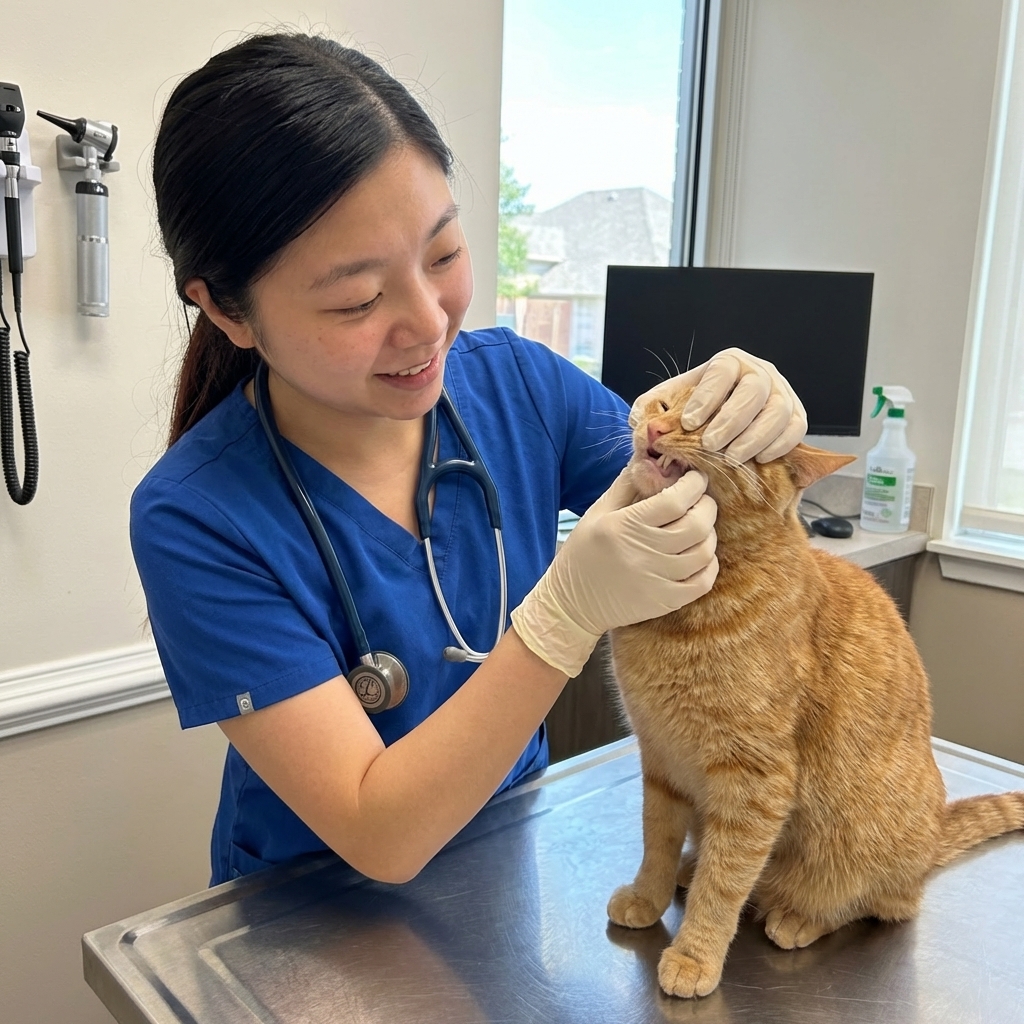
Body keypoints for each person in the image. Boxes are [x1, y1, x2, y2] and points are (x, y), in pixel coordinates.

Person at [131, 33, 807, 887]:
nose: (428, 323)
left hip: (501, 864)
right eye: (358, 300)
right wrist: (563, 612)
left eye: (443, 254)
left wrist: (757, 439)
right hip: (309, 915)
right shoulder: (197, 516)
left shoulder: (519, 386)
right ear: (226, 310)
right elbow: (379, 834)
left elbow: (731, 550)